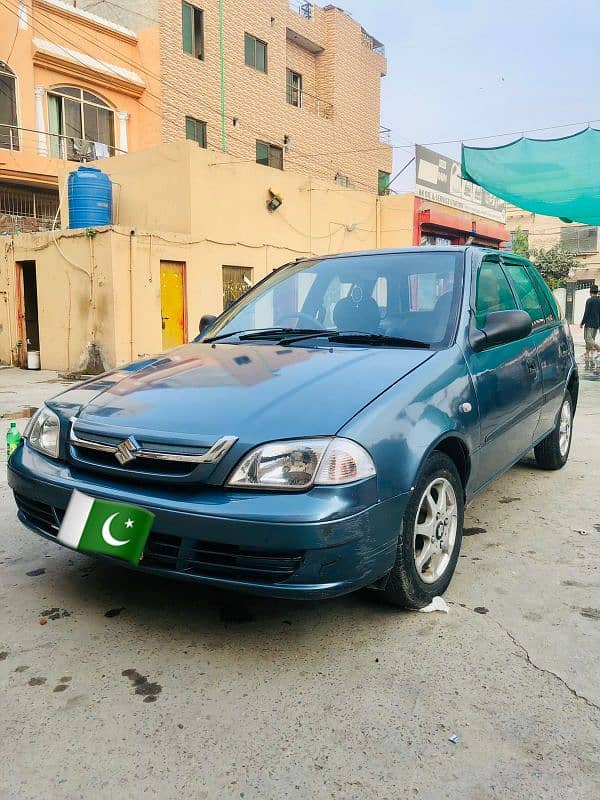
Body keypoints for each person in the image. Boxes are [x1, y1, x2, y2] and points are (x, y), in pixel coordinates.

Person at [580, 284, 600, 368]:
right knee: (592, 338)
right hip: (596, 324)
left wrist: (582, 322)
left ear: (590, 292)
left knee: (588, 338)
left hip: (589, 323)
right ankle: (587, 353)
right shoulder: (599, 301)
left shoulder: (589, 300)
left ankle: (598, 348)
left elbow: (586, 313)